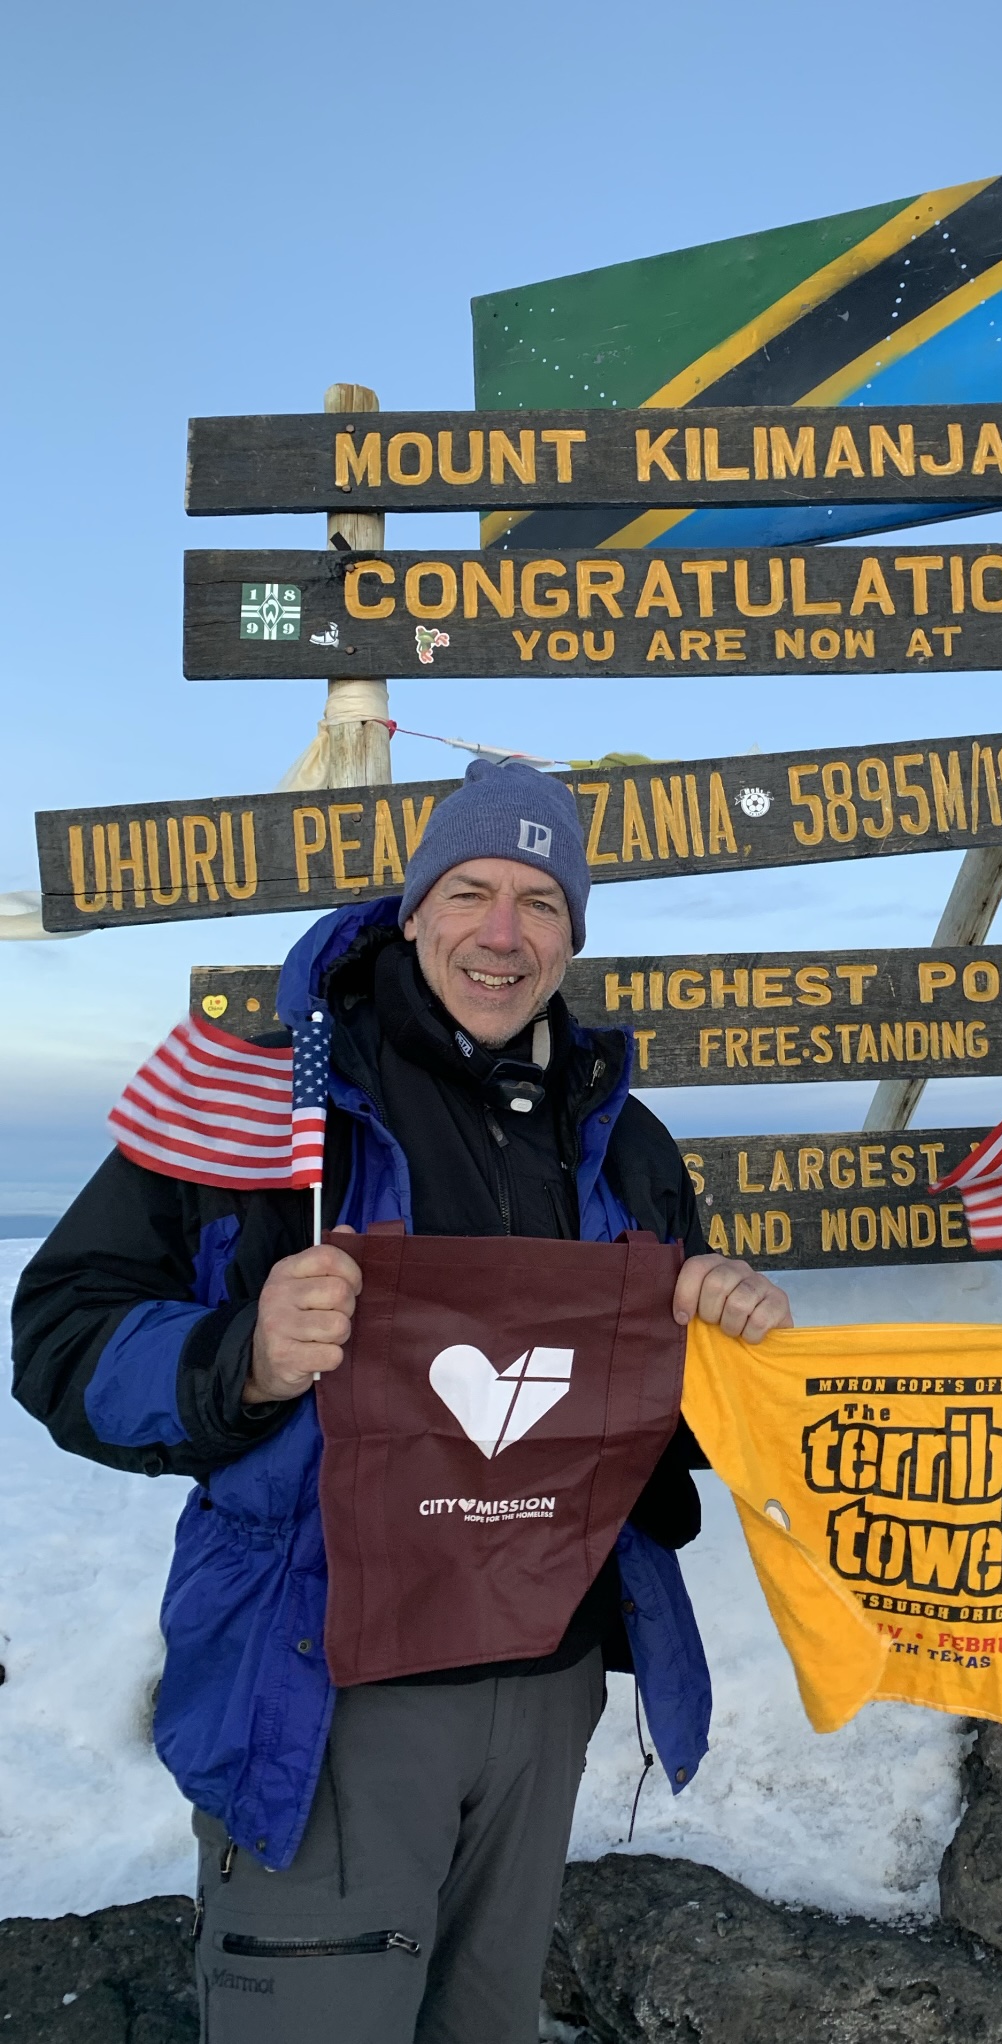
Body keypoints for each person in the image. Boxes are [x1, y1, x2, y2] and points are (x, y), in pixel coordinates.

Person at [11, 758, 792, 2044]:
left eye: (541, 901)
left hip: (543, 1691)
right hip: (327, 1686)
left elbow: (653, 1427)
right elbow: (60, 1336)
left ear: (572, 934)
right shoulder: (271, 1108)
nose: (503, 931)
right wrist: (240, 1356)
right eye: (473, 890)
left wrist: (719, 1339)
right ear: (417, 907)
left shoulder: (621, 1137)